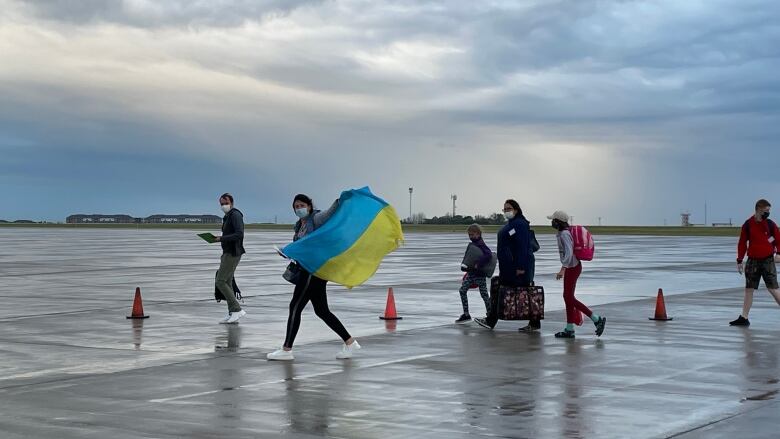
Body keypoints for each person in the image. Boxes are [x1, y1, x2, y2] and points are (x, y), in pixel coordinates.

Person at [267, 194, 360, 361]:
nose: (299, 209)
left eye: (302, 205)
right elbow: (302, 247)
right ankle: (350, 342)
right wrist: (287, 252)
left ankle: (287, 350)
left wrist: (340, 200)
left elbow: (331, 212)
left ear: (309, 206)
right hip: (308, 270)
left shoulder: (316, 218)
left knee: (295, 307)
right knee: (322, 311)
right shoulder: (299, 225)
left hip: (312, 271)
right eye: (296, 206)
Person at [475, 199, 538, 331]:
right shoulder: (513, 223)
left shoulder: (519, 224)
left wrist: (520, 267)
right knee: (526, 291)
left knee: (499, 287)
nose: (506, 211)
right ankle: (534, 323)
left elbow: (522, 247)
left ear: (516, 209)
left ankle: (491, 320)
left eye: (509, 208)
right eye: (504, 209)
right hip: (510, 266)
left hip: (517, 267)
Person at [548, 211, 606, 339]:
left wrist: (563, 268)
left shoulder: (564, 234)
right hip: (572, 267)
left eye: (553, 220)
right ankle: (570, 329)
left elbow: (568, 253)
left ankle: (596, 319)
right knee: (568, 297)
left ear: (558, 222)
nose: (551, 222)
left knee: (569, 298)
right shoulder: (562, 233)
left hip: (572, 267)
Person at [730, 199, 780, 326]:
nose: (768, 213)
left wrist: (778, 253)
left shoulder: (770, 224)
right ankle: (744, 317)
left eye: (769, 211)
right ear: (758, 209)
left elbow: (778, 240)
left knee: (773, 289)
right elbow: (742, 243)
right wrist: (739, 260)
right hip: (752, 261)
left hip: (768, 260)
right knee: (749, 289)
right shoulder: (748, 225)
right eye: (766, 211)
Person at [214, 193, 247, 324]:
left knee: (220, 281)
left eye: (225, 203)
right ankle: (232, 312)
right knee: (227, 282)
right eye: (221, 204)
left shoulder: (235, 215)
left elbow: (239, 234)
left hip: (233, 252)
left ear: (232, 202)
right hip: (227, 251)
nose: (223, 205)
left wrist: (221, 238)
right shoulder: (227, 217)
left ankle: (237, 309)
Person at [455, 224, 493, 324]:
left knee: (484, 294)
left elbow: (488, 254)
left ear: (478, 234)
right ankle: (466, 314)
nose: (471, 237)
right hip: (471, 274)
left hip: (479, 275)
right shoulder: (473, 244)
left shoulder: (480, 243)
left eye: (472, 234)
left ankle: (490, 315)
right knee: (462, 290)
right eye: (469, 235)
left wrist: (479, 263)